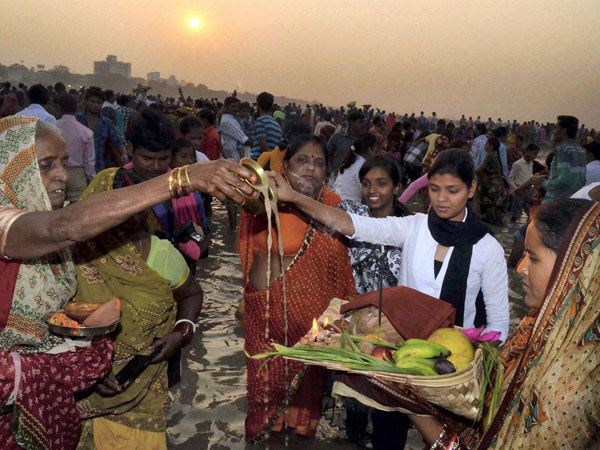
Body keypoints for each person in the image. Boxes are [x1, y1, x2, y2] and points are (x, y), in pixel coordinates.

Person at [0, 116, 254, 449]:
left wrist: (85, 363)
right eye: (46, 166)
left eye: (64, 163)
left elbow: (57, 320)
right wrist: (183, 177)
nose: (62, 175)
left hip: (52, 400)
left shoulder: (66, 251)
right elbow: (65, 226)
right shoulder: (31, 229)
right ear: (11, 170)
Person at [408, 198, 599, 449]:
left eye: (532, 257)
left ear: (574, 267)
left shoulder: (564, 397)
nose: (520, 267)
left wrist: (412, 407)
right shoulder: (539, 326)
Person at [269, 148, 509, 340]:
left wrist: (476, 367)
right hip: (398, 351)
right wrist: (293, 197)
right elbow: (353, 225)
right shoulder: (413, 227)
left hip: (454, 365)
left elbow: (498, 325)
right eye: (435, 189)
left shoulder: (488, 248)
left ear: (471, 189)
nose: (441, 199)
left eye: (452, 190)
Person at [74, 169, 203, 450]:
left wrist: (181, 332)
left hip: (146, 394)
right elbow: (54, 325)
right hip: (84, 399)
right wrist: (87, 369)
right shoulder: (73, 257)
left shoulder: (161, 252)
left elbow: (192, 293)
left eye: (136, 210)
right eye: (117, 211)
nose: (127, 220)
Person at [240, 134, 356, 441]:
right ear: (285, 165)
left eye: (319, 163)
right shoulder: (259, 198)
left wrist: (335, 327)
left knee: (304, 422)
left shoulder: (332, 209)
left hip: (313, 330)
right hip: (264, 324)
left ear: (327, 173)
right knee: (264, 413)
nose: (311, 168)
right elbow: (244, 249)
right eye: (303, 160)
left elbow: (342, 272)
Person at [338, 155, 412, 449]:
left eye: (382, 183)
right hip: (356, 324)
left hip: (395, 331)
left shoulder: (410, 228)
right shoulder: (352, 214)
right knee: (354, 404)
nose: (373, 191)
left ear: (397, 186)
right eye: (366, 183)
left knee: (391, 405)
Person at [533, 115, 586, 203]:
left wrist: (544, 183)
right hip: (572, 202)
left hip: (555, 202)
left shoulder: (563, 149)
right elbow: (581, 180)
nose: (554, 131)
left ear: (563, 131)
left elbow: (564, 179)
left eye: (556, 128)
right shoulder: (581, 151)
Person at [76, 86, 126, 172]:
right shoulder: (77, 119)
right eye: (92, 101)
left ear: (102, 104)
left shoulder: (107, 123)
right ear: (86, 101)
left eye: (98, 102)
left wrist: (124, 154)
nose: (95, 105)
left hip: (99, 167)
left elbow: (118, 141)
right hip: (79, 168)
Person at [56, 93, 95, 202]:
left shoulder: (52, 127)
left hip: (56, 170)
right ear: (76, 107)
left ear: (59, 108)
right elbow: (89, 161)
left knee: (55, 205)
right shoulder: (86, 132)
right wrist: (91, 179)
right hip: (77, 174)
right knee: (77, 207)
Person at [333, 133, 377, 202]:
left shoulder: (351, 160)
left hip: (336, 201)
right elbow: (367, 195)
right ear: (370, 149)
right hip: (348, 207)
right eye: (376, 147)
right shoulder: (363, 166)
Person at [476, 137, 508, 226]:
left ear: (491, 146)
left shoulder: (490, 156)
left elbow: (480, 170)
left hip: (491, 186)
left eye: (486, 143)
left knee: (484, 205)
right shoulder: (494, 155)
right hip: (496, 186)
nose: (484, 145)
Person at [327, 111, 367, 179]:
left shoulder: (364, 140)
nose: (363, 125)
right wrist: (331, 171)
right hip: (337, 179)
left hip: (356, 181)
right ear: (351, 122)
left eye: (364, 122)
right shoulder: (337, 137)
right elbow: (325, 153)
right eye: (360, 122)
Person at [508, 144, 539, 222]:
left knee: (530, 212)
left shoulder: (531, 163)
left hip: (529, 190)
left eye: (536, 154)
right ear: (527, 152)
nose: (535, 156)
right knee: (515, 214)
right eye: (534, 153)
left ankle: (526, 229)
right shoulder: (517, 164)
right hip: (519, 190)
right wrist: (516, 189)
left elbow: (529, 176)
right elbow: (510, 179)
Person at [250, 91, 281, 160]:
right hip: (272, 161)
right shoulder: (276, 125)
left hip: (259, 160)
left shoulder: (260, 121)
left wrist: (268, 159)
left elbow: (263, 145)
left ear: (258, 105)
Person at [220, 96, 252, 162]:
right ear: (226, 107)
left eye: (237, 107)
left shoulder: (235, 118)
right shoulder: (226, 121)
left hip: (240, 156)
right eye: (233, 107)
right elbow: (244, 139)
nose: (236, 109)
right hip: (235, 158)